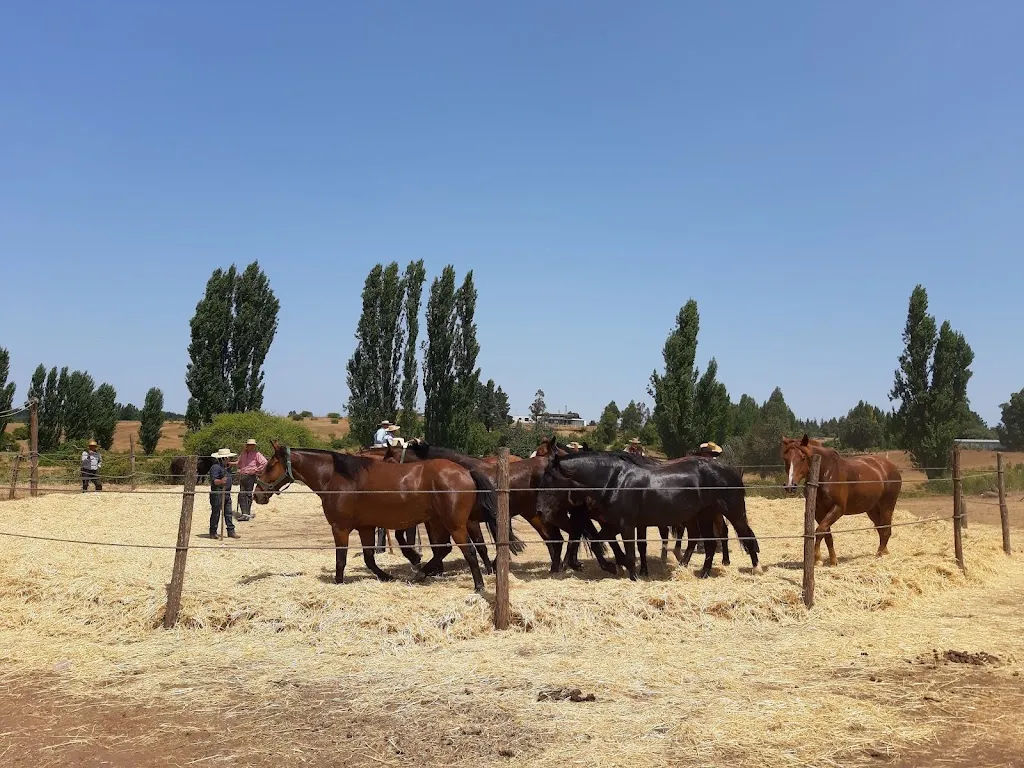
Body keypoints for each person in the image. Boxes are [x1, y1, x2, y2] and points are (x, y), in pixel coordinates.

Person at [232, 438, 267, 521]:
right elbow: (239, 463)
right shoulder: (243, 453)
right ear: (247, 446)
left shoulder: (257, 454)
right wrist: (231, 464)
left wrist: (256, 470)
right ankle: (245, 513)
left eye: (253, 445)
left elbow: (264, 462)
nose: (251, 447)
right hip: (243, 475)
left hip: (250, 476)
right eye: (250, 445)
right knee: (243, 494)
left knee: (246, 493)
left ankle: (246, 513)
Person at [209, 448, 240, 540]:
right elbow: (214, 481)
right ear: (223, 458)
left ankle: (231, 531)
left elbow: (230, 479)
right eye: (228, 458)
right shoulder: (215, 467)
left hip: (226, 493)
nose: (229, 460)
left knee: (228, 513)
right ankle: (213, 532)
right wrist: (221, 481)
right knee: (216, 513)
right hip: (217, 493)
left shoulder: (227, 468)